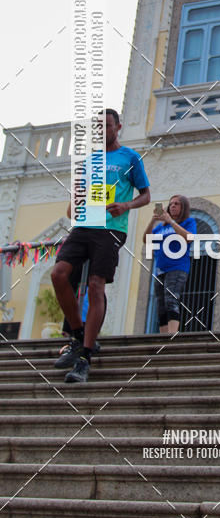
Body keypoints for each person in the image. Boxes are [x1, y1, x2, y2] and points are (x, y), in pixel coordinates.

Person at [51, 109, 150, 383]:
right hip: (85, 225)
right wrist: (77, 200)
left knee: (96, 285)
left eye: (106, 126)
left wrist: (126, 205)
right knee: (58, 275)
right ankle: (81, 335)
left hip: (111, 230)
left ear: (118, 127)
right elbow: (74, 207)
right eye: (97, 128)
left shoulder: (130, 157)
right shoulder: (89, 160)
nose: (101, 131)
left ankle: (84, 358)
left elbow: (146, 195)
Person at [143, 195, 196, 334]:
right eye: (171, 204)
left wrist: (171, 221)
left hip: (177, 267)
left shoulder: (188, 222)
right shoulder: (160, 227)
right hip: (160, 269)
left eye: (177, 204)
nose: (172, 206)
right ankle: (163, 336)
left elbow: (189, 238)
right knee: (161, 303)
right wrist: (153, 220)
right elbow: (146, 240)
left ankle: (172, 334)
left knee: (171, 298)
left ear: (183, 207)